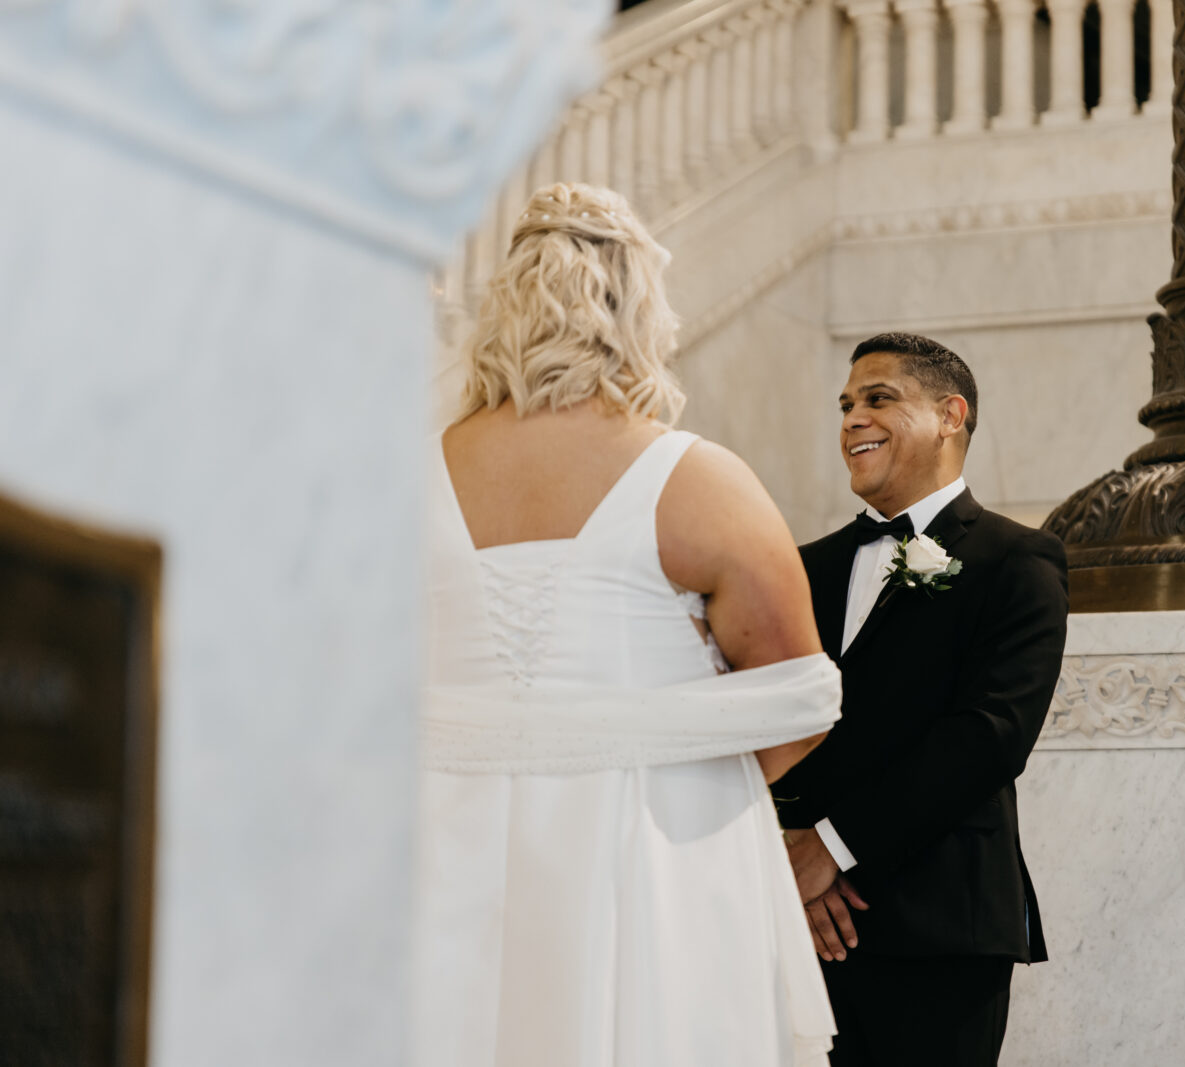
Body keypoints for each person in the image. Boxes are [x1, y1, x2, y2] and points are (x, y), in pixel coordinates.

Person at [415, 182, 840, 1067]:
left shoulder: (410, 477)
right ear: (641, 313)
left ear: (504, 313)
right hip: (652, 861)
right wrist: (663, 760)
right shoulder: (699, 481)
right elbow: (800, 696)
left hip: (442, 846)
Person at [771, 333, 1071, 1066]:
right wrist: (788, 856)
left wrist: (829, 848)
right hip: (800, 921)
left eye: (878, 398)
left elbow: (989, 736)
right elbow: (771, 718)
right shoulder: (798, 566)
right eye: (845, 405)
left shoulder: (1018, 560)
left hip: (943, 926)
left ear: (950, 414)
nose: (852, 419)